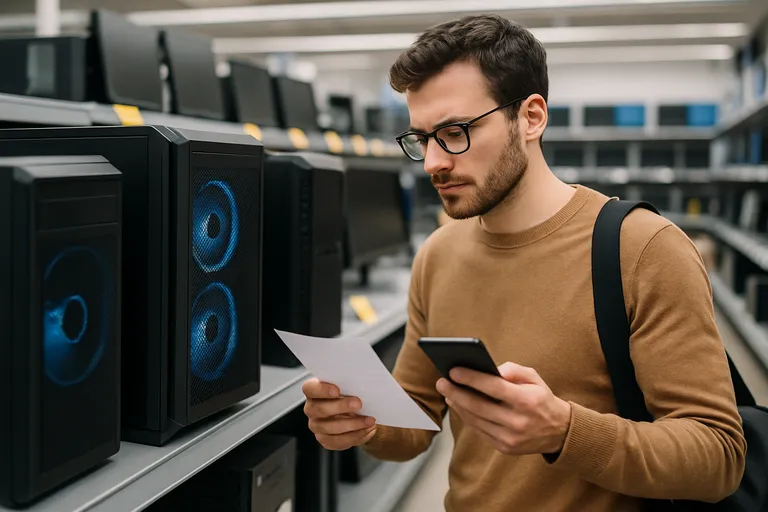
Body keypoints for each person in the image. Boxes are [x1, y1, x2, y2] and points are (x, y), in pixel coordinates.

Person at [302, 14, 746, 511]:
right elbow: (416, 421)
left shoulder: (644, 249)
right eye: (422, 139)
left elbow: (718, 457)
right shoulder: (438, 254)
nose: (432, 163)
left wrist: (563, 431)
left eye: (453, 131)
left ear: (531, 117)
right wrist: (359, 421)